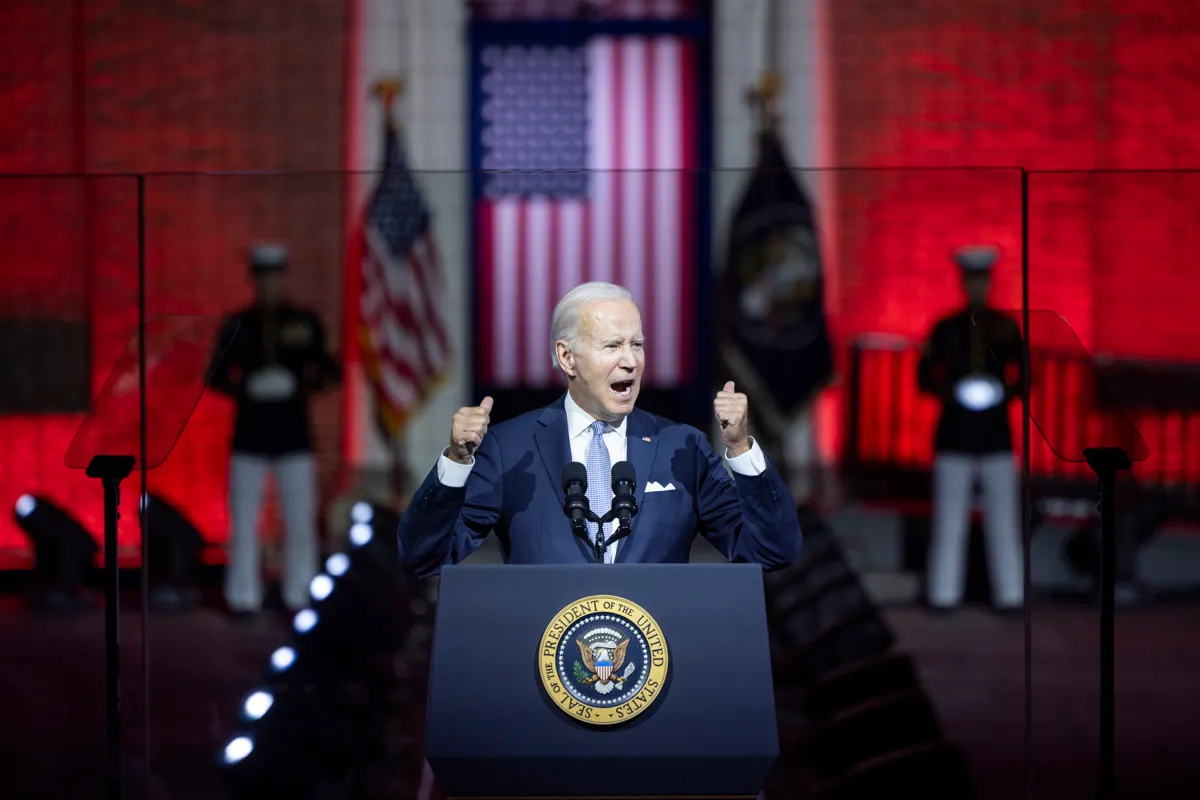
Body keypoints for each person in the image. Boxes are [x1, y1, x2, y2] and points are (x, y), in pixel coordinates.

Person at [396, 282, 802, 577]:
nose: (631, 361)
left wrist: (742, 451)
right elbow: (424, 557)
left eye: (637, 344)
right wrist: (454, 462)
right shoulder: (511, 448)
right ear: (567, 357)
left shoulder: (683, 447)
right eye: (612, 346)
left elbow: (771, 552)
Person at [208, 244, 342, 615]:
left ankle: (301, 593)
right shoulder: (239, 324)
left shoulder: (304, 321)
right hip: (250, 434)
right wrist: (246, 387)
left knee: (300, 519)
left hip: (292, 433)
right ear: (255, 279)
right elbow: (215, 375)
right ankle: (243, 596)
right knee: (244, 521)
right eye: (263, 276)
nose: (270, 283)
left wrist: (297, 385)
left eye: (275, 275)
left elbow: (330, 371)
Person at [917, 246, 1025, 614]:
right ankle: (943, 595)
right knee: (949, 519)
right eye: (971, 278)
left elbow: (1025, 376)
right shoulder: (945, 328)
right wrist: (952, 392)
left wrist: (1001, 393)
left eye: (982, 278)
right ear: (963, 282)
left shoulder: (1005, 327)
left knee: (1004, 519)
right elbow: (924, 377)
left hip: (996, 435)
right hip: (955, 435)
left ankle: (1010, 595)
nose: (976, 285)